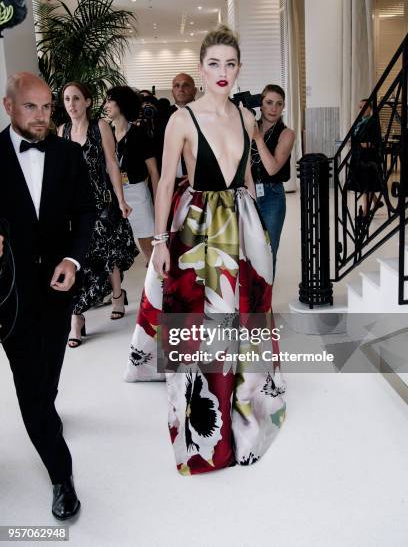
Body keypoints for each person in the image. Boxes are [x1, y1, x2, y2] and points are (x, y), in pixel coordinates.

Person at [124, 26, 286, 475]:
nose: (222, 72)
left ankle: (246, 396)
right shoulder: (182, 119)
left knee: (248, 317)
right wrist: (159, 241)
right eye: (213, 63)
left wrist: (258, 228)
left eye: (230, 64)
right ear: (201, 68)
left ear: (239, 69)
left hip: (243, 223)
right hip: (201, 228)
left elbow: (250, 176)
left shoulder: (247, 117)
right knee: (208, 324)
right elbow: (163, 187)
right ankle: (209, 422)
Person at [0, 72, 96, 519]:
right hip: (9, 293)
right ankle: (62, 476)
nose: (41, 118)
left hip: (58, 289)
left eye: (46, 107)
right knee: (32, 392)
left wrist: (72, 261)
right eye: (30, 107)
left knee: (48, 373)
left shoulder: (69, 155)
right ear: (8, 107)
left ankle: (46, 412)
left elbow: (86, 212)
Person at [58, 82, 137, 346]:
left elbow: (112, 164)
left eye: (77, 98)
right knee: (81, 259)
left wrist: (122, 199)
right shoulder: (62, 131)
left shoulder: (99, 127)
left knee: (108, 253)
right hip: (75, 210)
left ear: (88, 102)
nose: (72, 104)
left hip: (103, 204)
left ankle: (116, 296)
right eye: (67, 99)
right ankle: (77, 316)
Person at [104, 86, 159, 262]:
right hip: (114, 195)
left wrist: (159, 201)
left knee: (147, 245)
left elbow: (153, 171)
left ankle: (160, 284)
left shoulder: (138, 133)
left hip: (136, 192)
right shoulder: (106, 133)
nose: (106, 105)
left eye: (109, 100)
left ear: (121, 103)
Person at [251, 85, 295, 278]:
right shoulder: (248, 126)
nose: (273, 108)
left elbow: (272, 168)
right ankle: (247, 301)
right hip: (248, 193)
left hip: (272, 197)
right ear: (261, 104)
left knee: (268, 251)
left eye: (279, 104)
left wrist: (258, 138)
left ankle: (265, 302)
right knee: (246, 251)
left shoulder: (287, 134)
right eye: (269, 103)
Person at [346, 99, 384, 216]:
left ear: (369, 108)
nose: (361, 109)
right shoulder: (359, 122)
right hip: (358, 156)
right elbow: (355, 137)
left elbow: (377, 141)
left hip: (368, 158)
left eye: (364, 106)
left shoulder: (373, 122)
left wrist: (367, 144)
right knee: (364, 183)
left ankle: (366, 213)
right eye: (360, 106)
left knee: (365, 184)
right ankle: (376, 202)